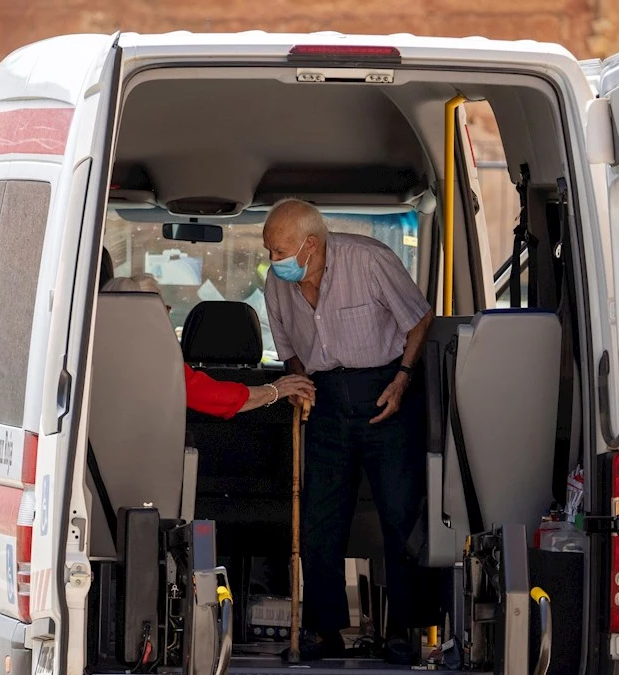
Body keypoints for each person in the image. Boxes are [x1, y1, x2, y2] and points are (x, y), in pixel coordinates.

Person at [262, 198, 437, 665]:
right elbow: (286, 346)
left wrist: (402, 378)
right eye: (269, 251)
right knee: (320, 518)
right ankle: (324, 631)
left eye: (278, 252)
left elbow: (419, 317)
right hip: (325, 398)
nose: (271, 261)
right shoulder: (277, 284)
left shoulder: (370, 259)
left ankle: (403, 629)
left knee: (400, 514)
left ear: (310, 245)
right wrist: (301, 382)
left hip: (385, 390)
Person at [100, 274, 315, 418]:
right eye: (163, 309)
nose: (168, 314)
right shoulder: (157, 367)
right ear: (149, 315)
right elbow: (217, 398)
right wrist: (274, 390)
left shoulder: (85, 359)